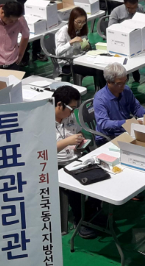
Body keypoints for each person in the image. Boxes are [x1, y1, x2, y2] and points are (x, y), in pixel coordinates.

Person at [53, 85, 102, 240]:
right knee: (75, 188)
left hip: (77, 158)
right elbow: (42, 151)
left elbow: (78, 131)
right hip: (57, 165)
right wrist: (67, 142)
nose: (72, 112)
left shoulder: (69, 116)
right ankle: (80, 220)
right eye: (71, 108)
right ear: (59, 104)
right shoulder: (41, 122)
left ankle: (90, 210)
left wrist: (81, 140)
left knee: (102, 174)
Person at [93, 63, 145, 143]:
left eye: (125, 81)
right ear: (109, 82)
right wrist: (124, 123)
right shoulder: (100, 99)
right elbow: (104, 123)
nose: (123, 86)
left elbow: (136, 107)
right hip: (108, 137)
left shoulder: (126, 90)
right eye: (119, 83)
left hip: (126, 131)